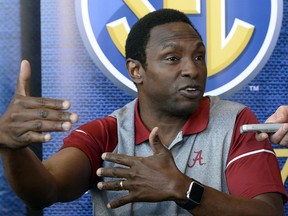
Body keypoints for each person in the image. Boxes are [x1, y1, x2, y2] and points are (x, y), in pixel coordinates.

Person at [0, 8, 287, 216]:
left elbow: (268, 212)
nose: (193, 69)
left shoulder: (237, 121)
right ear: (136, 70)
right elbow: (44, 191)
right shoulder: (106, 133)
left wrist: (184, 189)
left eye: (199, 56)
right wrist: (11, 148)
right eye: (173, 58)